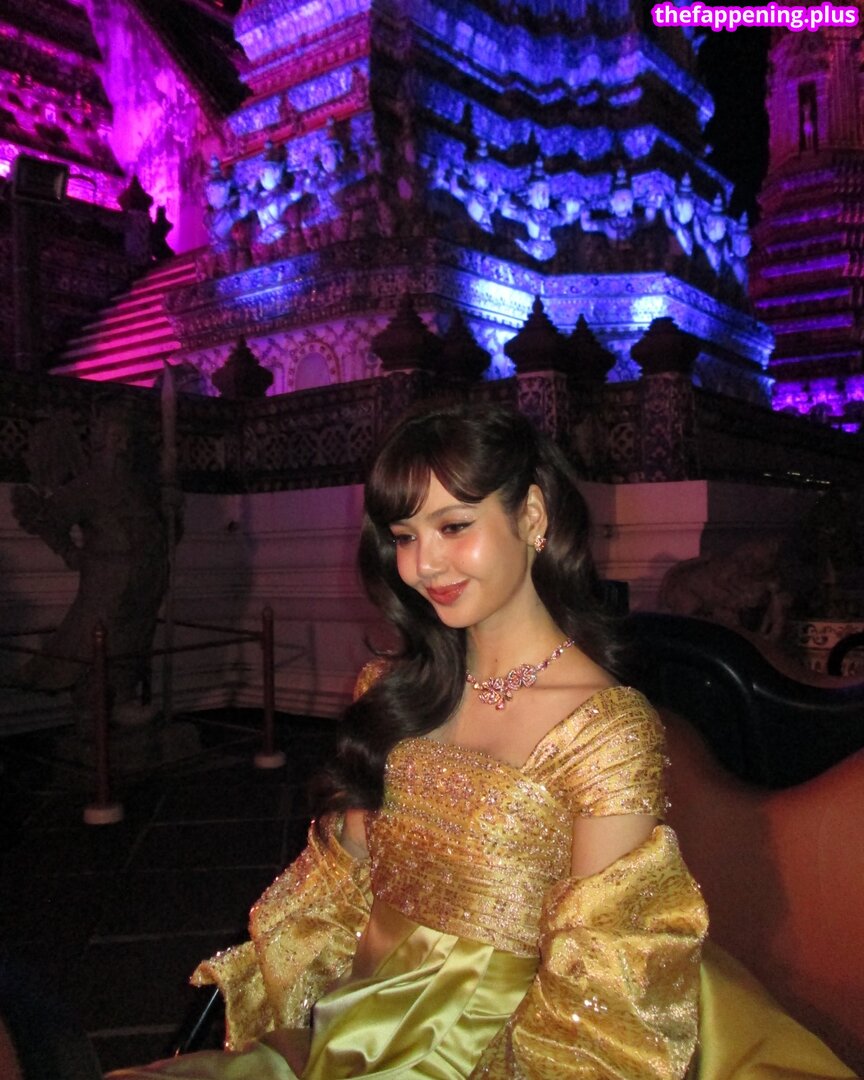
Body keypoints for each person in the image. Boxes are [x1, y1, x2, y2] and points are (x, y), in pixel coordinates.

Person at [109, 402, 855, 1079]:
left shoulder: (605, 729)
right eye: (404, 536)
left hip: (515, 1041)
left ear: (531, 515)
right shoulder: (392, 690)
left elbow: (598, 981)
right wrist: (289, 1008)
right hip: (358, 1029)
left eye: (453, 526)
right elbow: (337, 884)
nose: (422, 565)